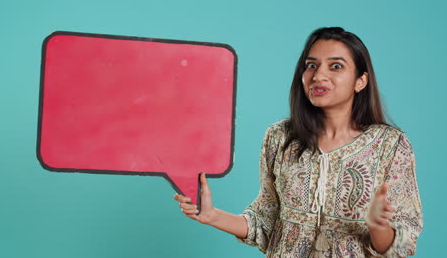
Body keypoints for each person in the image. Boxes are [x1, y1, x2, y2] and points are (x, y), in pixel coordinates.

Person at [173, 27, 423, 258]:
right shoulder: (280, 137)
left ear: (361, 81)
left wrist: (378, 226)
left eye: (335, 66)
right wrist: (211, 215)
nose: (318, 75)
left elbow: (403, 244)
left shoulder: (389, 145)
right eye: (311, 65)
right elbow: (267, 220)